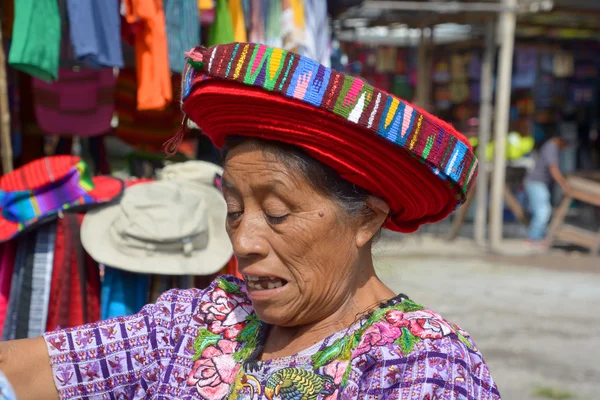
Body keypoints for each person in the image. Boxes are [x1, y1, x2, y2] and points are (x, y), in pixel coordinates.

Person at [0, 43, 500, 399]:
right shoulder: (200, 322)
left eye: (278, 213)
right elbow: (24, 372)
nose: (244, 240)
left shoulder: (422, 362)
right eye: (234, 210)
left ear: (366, 218)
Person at [525, 132, 570, 246]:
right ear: (561, 140)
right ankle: (533, 238)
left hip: (538, 183)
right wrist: (563, 184)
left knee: (543, 211)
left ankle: (538, 237)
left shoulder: (550, 146)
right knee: (543, 212)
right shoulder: (551, 147)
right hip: (536, 183)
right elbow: (553, 169)